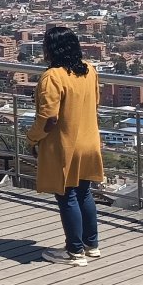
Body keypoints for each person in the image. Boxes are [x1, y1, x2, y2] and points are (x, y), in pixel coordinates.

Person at [28, 26, 104, 267]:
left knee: (66, 194)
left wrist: (32, 137)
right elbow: (96, 103)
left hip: (64, 145)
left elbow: (49, 117)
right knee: (84, 192)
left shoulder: (53, 77)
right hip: (89, 141)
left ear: (51, 49)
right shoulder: (89, 70)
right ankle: (91, 245)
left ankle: (75, 251)